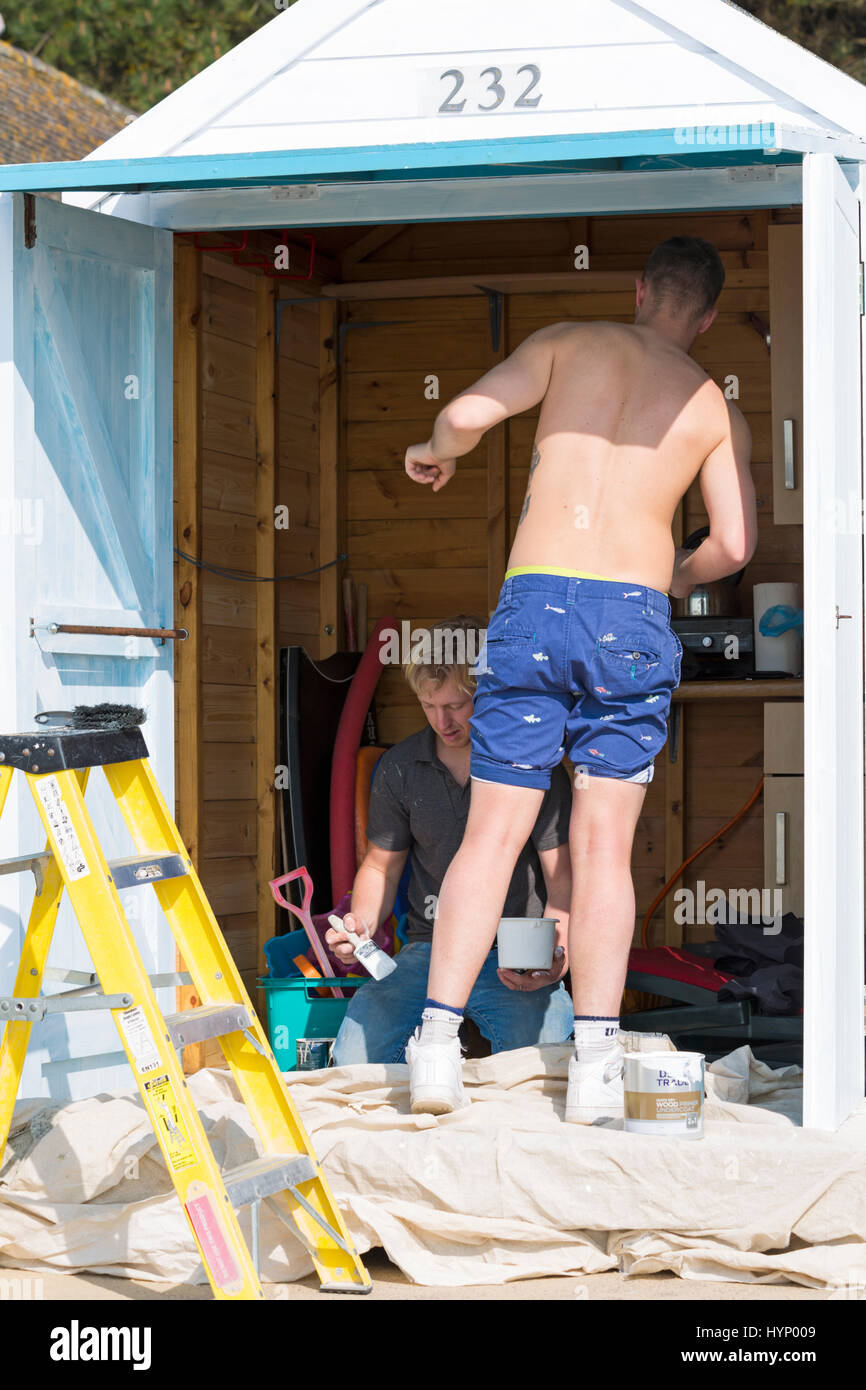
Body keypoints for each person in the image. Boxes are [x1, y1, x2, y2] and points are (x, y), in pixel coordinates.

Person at [402, 236, 758, 1120]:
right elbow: (735, 545)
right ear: (708, 317)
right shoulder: (715, 406)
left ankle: (438, 1049)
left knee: (491, 835)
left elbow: (471, 414)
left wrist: (435, 446)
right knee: (603, 846)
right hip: (630, 618)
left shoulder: (568, 341)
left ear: (639, 289)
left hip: (537, 606)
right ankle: (598, 1066)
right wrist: (666, 577)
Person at [326, 614, 574, 1066]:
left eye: (458, 704)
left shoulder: (535, 767)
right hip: (428, 946)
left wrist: (559, 951)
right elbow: (382, 865)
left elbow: (563, 879)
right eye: (428, 705)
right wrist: (359, 922)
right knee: (355, 1059)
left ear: (490, 693)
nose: (444, 721)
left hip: (515, 950)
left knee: (544, 1069)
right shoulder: (400, 768)